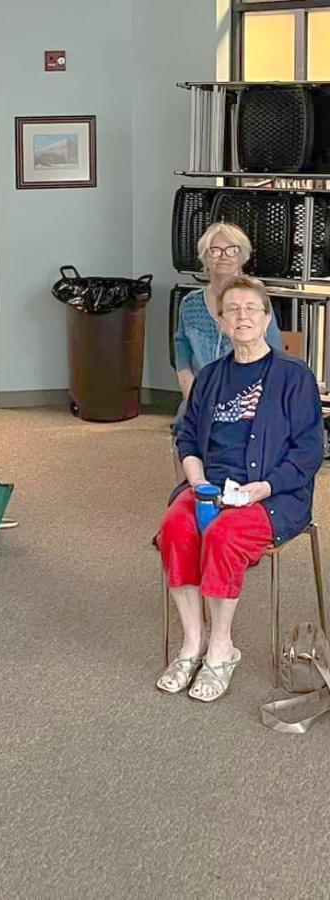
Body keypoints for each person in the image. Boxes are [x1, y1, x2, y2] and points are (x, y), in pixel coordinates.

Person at [156, 275, 323, 702]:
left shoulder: (293, 376)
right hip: (212, 487)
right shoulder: (210, 377)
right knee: (176, 528)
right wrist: (198, 484)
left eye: (252, 308)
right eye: (233, 309)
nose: (243, 316)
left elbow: (309, 452)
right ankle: (192, 644)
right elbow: (188, 436)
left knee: (224, 535)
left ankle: (221, 649)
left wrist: (260, 489)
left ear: (267, 317)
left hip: (273, 496)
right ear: (222, 320)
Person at [173, 223, 283, 475]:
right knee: (184, 423)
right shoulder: (190, 305)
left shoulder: (255, 300)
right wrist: (193, 395)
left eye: (231, 250)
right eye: (214, 250)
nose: (222, 256)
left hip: (249, 392)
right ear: (204, 257)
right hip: (203, 393)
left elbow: (273, 354)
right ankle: (191, 490)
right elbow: (182, 355)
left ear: (242, 256)